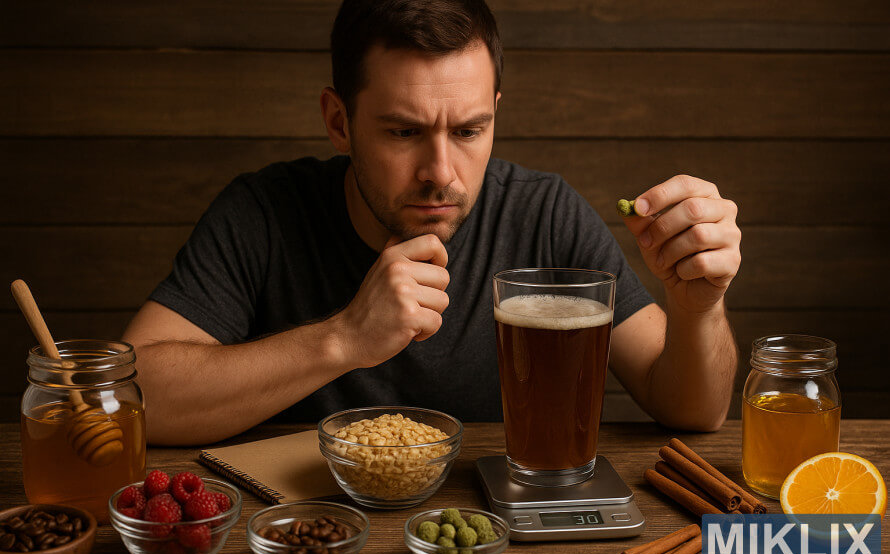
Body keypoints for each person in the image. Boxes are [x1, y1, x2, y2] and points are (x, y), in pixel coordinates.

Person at [123, 0, 741, 446]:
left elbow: (695, 411)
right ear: (339, 122)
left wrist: (698, 308)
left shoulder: (545, 213)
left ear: (495, 114)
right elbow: (130, 396)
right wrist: (343, 338)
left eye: (469, 131)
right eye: (403, 132)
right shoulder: (263, 212)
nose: (441, 173)